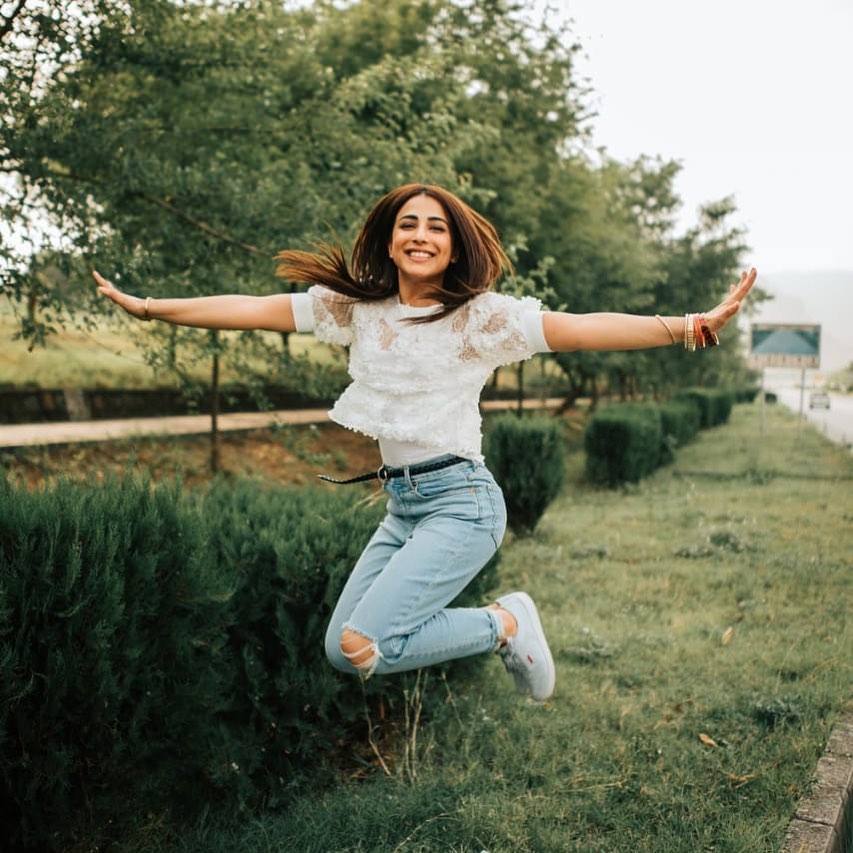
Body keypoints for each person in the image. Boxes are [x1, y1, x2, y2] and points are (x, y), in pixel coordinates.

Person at [94, 182, 756, 702]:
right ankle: (501, 624)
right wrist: (153, 307)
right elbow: (249, 307)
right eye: (407, 223)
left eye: (435, 226)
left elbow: (583, 327)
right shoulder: (355, 308)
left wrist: (689, 325)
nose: (420, 233)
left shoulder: (481, 318)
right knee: (344, 651)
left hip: (460, 503)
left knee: (364, 638)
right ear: (388, 241)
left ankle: (503, 624)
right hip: (402, 508)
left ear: (453, 245)